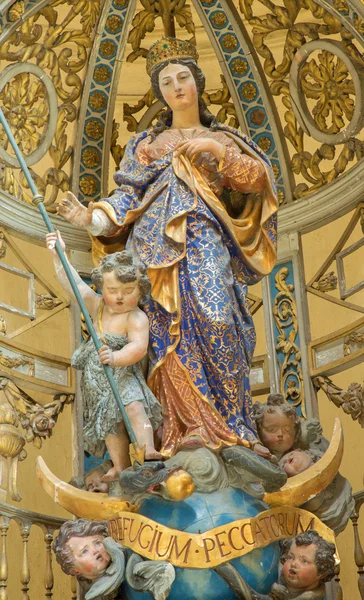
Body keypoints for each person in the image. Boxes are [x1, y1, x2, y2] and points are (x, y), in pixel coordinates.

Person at [56, 37, 278, 458]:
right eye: (166, 81)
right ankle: (179, 433)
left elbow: (257, 180)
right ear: (160, 93)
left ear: (197, 84)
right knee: (161, 338)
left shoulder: (223, 138)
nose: (176, 87)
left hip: (204, 239)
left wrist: (214, 150)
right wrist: (91, 219)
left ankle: (235, 427)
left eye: (183, 78)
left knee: (218, 321)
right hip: (153, 250)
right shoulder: (146, 146)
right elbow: (125, 200)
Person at [46, 232, 162, 480]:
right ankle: (120, 465)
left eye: (128, 290)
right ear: (101, 287)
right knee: (111, 426)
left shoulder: (136, 317)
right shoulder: (97, 306)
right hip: (98, 383)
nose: (120, 297)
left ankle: (148, 447)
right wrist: (59, 255)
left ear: (140, 292)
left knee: (134, 407)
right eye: (113, 290)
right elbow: (74, 284)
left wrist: (116, 358)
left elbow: (138, 348)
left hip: (123, 376)